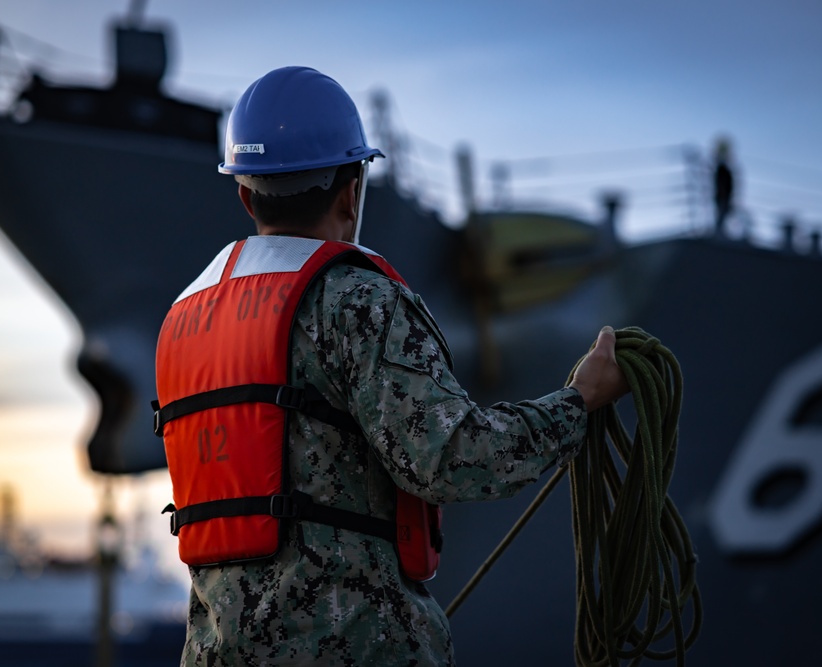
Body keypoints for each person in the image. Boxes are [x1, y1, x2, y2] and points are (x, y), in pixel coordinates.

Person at [153, 66, 630, 667]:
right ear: (353, 188)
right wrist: (578, 402)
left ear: (246, 194)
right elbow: (454, 459)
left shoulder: (182, 319)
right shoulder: (360, 300)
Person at [712, 137, 735, 236]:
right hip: (722, 197)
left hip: (723, 197)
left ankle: (720, 232)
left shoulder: (723, 170)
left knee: (722, 216)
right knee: (721, 215)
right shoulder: (722, 170)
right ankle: (719, 232)